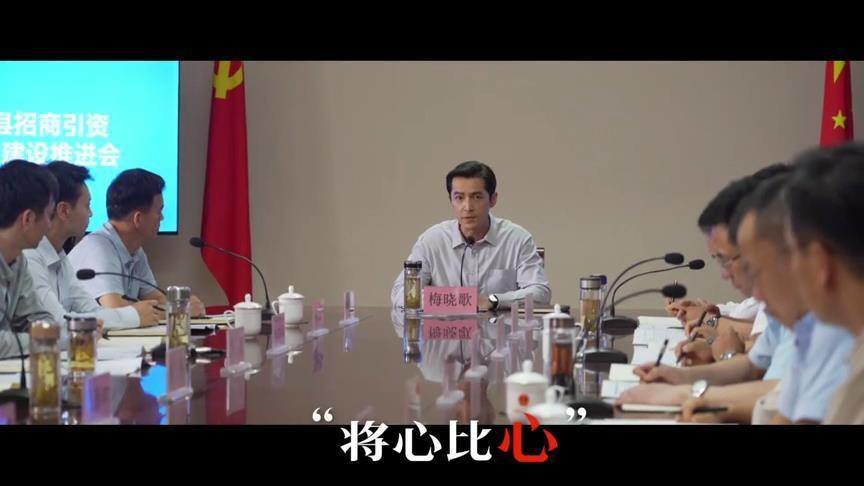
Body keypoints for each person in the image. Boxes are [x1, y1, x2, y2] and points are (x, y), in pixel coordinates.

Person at [391, 161, 550, 311]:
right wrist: (459, 300)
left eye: (477, 197)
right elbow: (401, 293)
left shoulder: (517, 239)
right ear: (451, 200)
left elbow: (540, 293)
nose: (467, 207)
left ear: (493, 200)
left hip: (499, 330)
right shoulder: (432, 241)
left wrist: (494, 300)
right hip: (445, 329)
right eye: (459, 198)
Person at [24, 161, 162, 330]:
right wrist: (134, 315)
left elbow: (92, 310)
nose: (91, 213)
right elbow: (55, 323)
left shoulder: (59, 256)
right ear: (64, 210)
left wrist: (133, 315)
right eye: (87, 205)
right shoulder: (28, 257)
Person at [69, 169, 205, 316]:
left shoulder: (135, 250)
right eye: (159, 211)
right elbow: (115, 309)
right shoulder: (98, 249)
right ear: (138, 218)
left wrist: (181, 304)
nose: (162, 218)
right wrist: (179, 310)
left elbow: (156, 298)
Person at [0, 160, 58, 358]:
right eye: (49, 216)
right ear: (28, 219)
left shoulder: (18, 259)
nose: (49, 225)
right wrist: (44, 340)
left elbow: (36, 317)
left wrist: (48, 333)